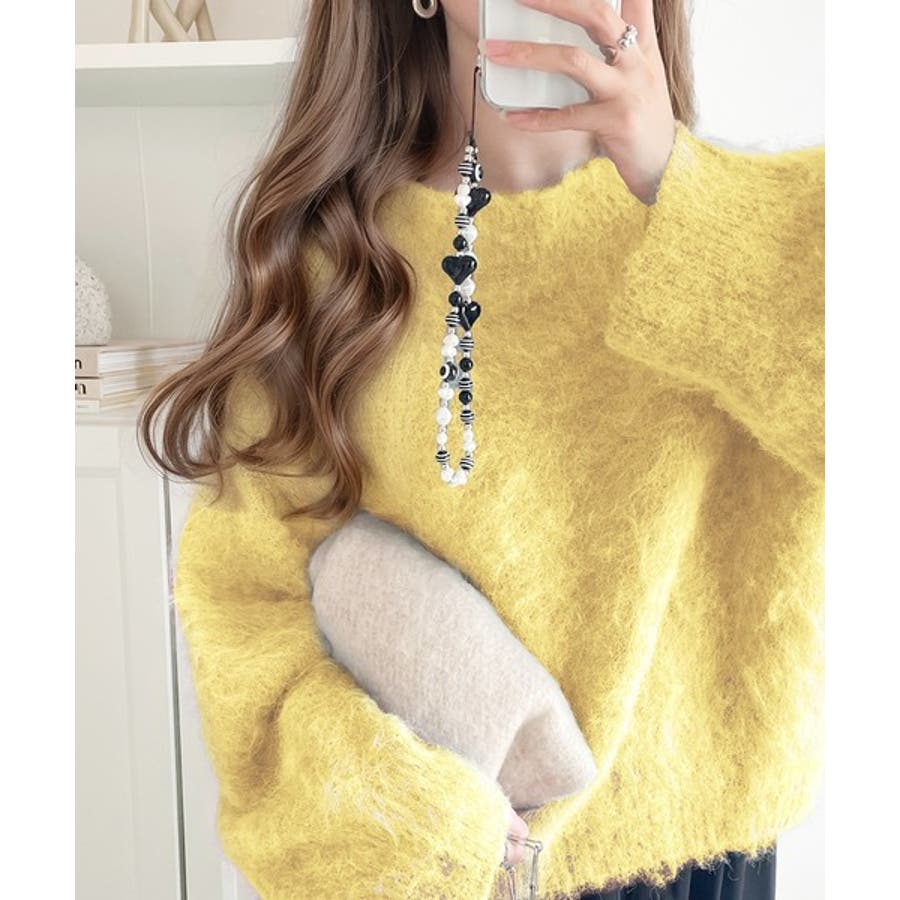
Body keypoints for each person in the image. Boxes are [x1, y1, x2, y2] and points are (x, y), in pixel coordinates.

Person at [137, 1, 824, 898]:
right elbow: (243, 607)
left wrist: (676, 185)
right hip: (448, 869)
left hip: (704, 859)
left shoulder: (772, 230)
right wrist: (415, 814)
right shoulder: (335, 270)